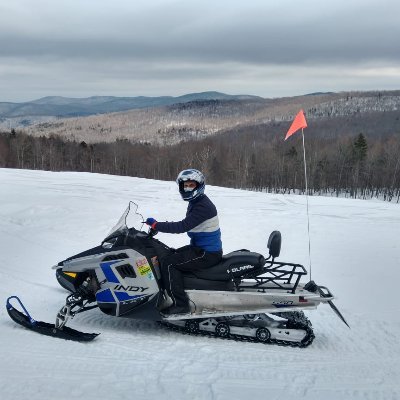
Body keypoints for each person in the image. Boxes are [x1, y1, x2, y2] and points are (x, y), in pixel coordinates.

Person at [145, 169, 222, 315]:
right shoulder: (196, 201)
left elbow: (182, 226)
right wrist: (158, 225)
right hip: (200, 248)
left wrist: (157, 225)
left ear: (199, 186)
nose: (187, 188)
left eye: (191, 185)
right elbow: (187, 224)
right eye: (185, 185)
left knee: (170, 264)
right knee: (169, 254)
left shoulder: (202, 206)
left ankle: (180, 305)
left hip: (207, 253)